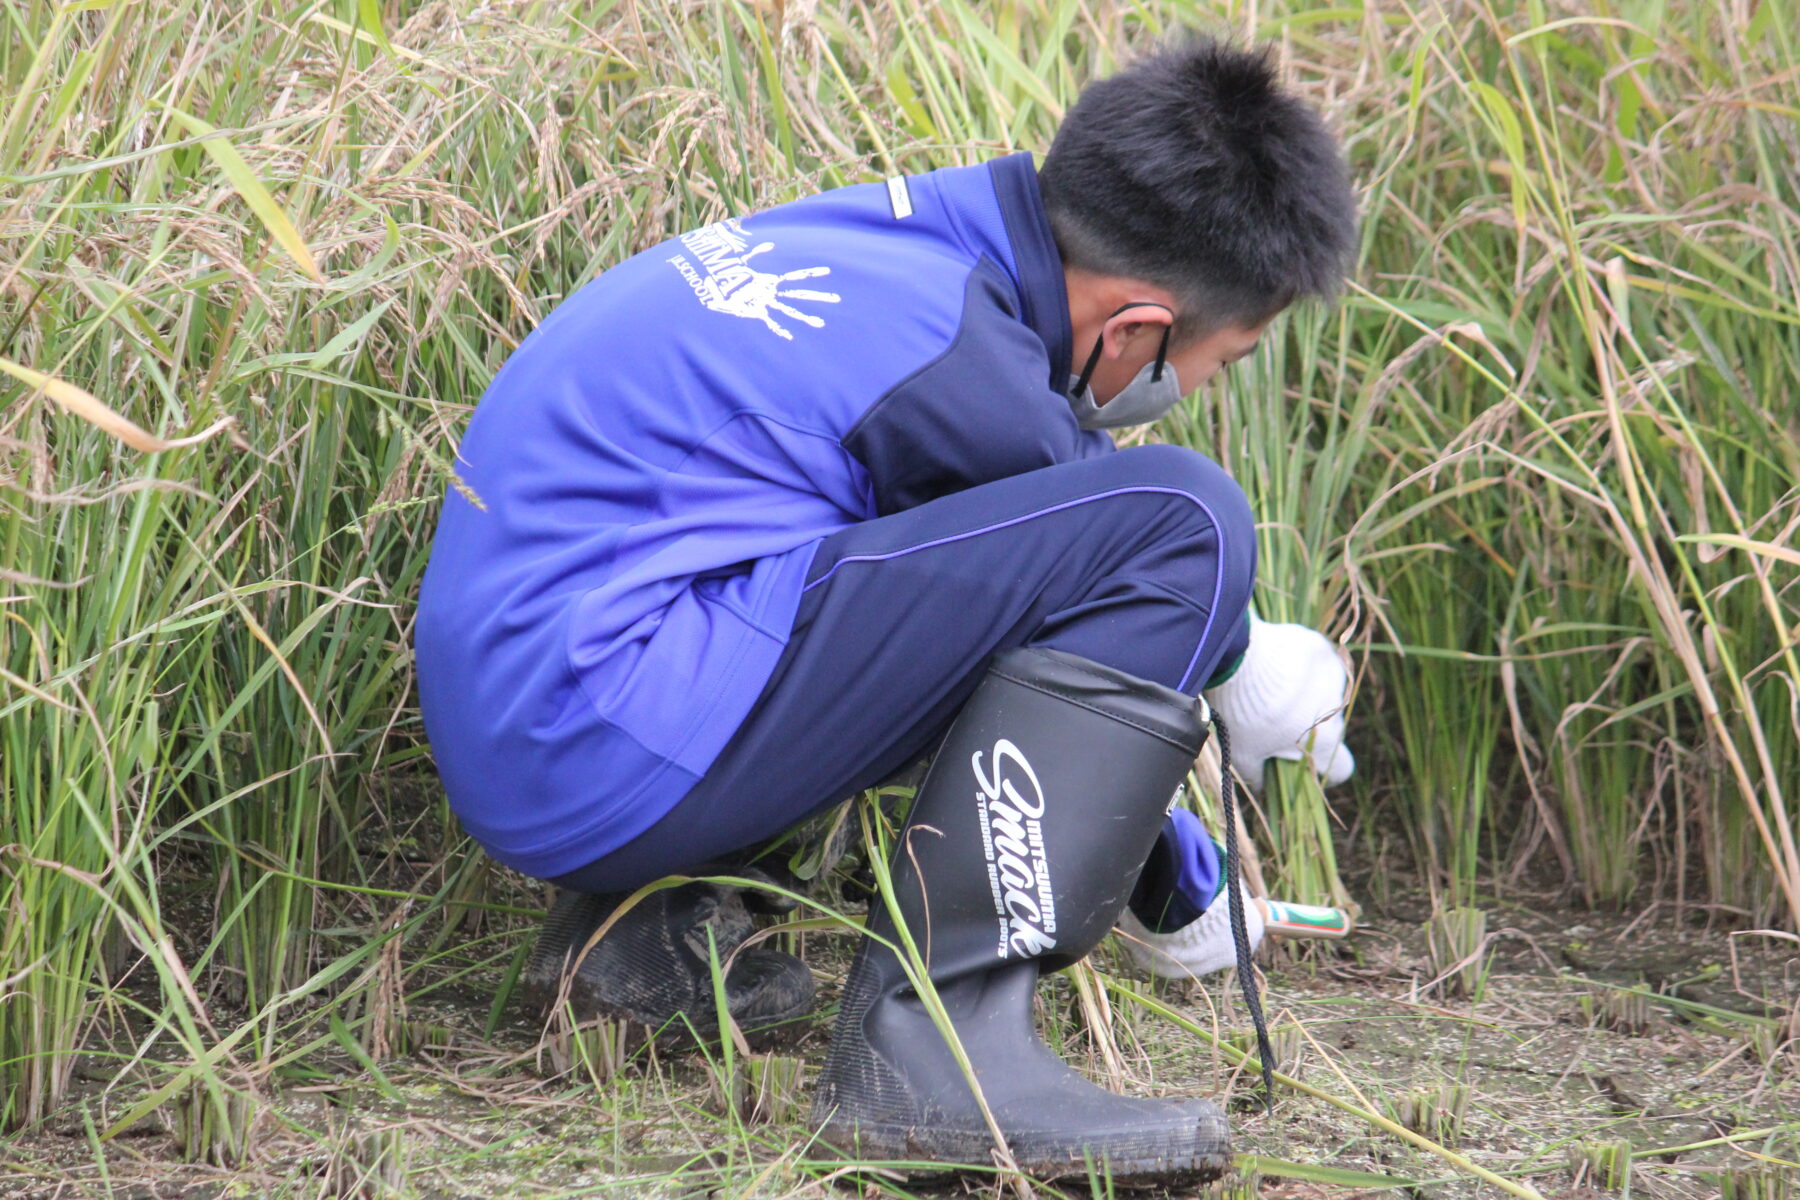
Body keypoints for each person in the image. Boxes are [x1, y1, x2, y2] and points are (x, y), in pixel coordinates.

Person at [415, 38, 1357, 1182]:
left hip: (544, 717)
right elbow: (1111, 598)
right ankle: (935, 1057)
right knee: (1186, 521)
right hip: (600, 740)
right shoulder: (964, 362)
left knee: (807, 542)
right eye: (1225, 357)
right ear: (1138, 330)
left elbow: (968, 619)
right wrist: (1241, 698)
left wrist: (1185, 879)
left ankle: (635, 938)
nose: (1194, 388)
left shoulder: (904, 246)